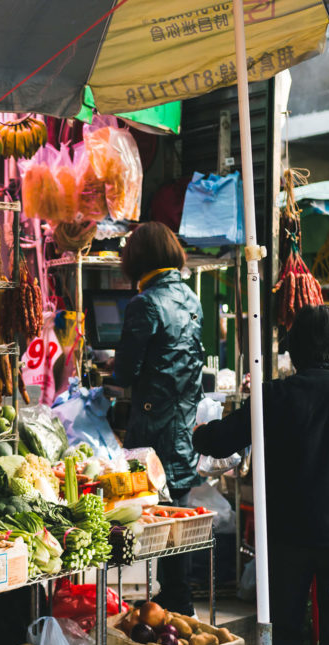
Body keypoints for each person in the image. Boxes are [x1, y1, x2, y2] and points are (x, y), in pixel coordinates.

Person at [193, 305, 329, 645]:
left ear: (293, 352)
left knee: (280, 638)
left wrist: (199, 431)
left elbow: (219, 440)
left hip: (283, 539)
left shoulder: (274, 397)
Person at [114, 222, 204, 616]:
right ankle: (177, 600)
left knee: (147, 513)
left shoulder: (145, 303)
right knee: (177, 515)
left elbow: (125, 372)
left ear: (136, 258)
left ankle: (165, 603)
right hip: (182, 422)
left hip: (151, 428)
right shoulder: (190, 297)